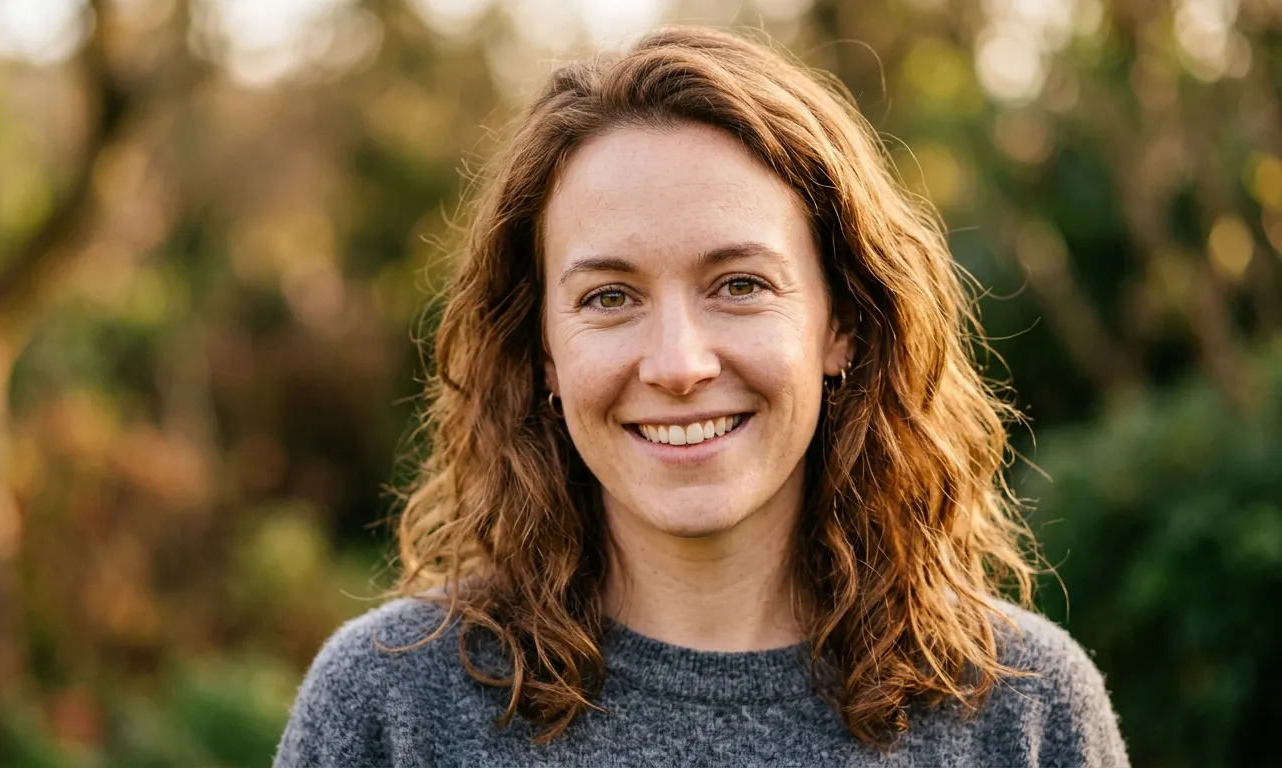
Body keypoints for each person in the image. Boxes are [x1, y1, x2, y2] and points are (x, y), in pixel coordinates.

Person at [274, 25, 1128, 767]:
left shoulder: (1023, 712)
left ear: (845, 325)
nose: (678, 365)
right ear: (542, 353)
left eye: (740, 285)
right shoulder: (390, 707)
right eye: (609, 298)